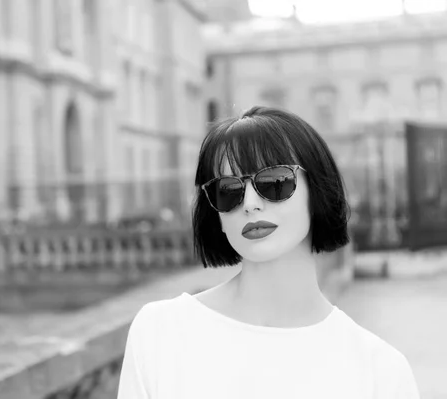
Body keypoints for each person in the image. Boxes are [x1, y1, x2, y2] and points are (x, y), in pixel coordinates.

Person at [116, 106, 420, 398]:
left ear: (317, 192)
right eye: (229, 190)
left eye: (274, 182)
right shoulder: (160, 334)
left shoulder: (381, 372)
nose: (250, 203)